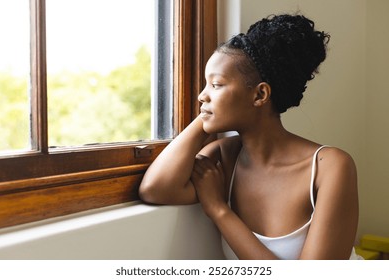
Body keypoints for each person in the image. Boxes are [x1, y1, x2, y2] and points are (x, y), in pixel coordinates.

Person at [139, 14, 360, 260]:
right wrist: (205, 119)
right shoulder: (224, 156)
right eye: (205, 84)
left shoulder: (330, 167)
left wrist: (219, 210)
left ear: (260, 95)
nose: (202, 96)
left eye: (216, 85)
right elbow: (155, 189)